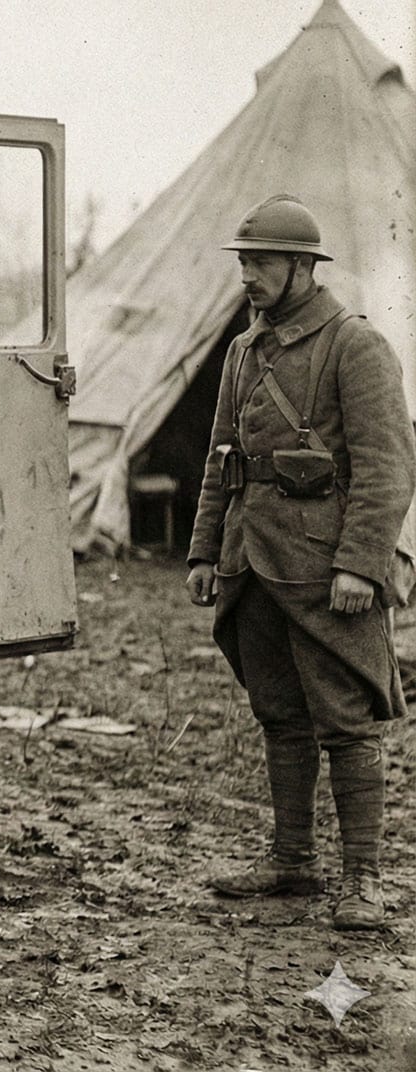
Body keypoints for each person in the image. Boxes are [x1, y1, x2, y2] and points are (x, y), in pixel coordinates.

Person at [185, 194, 416, 931]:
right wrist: (204, 550)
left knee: (346, 722)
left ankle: (364, 880)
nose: (247, 276)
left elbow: (387, 469)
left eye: (260, 263)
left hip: (325, 571)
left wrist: (361, 565)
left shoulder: (355, 345)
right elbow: (221, 460)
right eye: (244, 262)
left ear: (302, 267)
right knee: (279, 715)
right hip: (252, 564)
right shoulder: (242, 351)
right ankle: (292, 861)